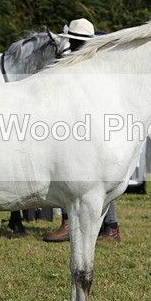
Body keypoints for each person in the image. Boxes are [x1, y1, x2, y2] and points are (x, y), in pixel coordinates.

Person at [42, 18, 122, 243]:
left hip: (83, 126)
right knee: (98, 181)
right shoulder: (96, 58)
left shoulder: (85, 61)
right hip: (92, 124)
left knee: (72, 175)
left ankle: (71, 224)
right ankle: (111, 228)